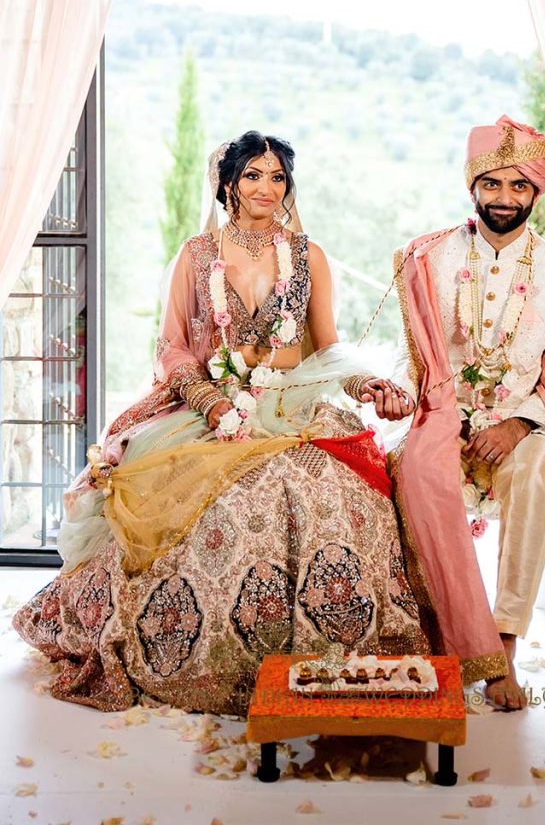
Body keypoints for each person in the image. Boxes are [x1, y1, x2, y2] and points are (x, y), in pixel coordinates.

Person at [14, 130, 427, 715]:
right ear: (228, 183)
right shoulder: (197, 255)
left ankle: (323, 655)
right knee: (210, 498)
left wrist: (368, 386)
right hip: (208, 401)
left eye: (278, 176)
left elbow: (327, 347)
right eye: (253, 174)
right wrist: (209, 400)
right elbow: (172, 347)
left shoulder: (308, 256)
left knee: (330, 492)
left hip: (296, 403)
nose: (267, 187)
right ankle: (207, 658)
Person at [390, 115, 545, 710]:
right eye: (492, 185)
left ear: (536, 193)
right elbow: (409, 355)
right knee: (420, 471)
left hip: (522, 418)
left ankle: (503, 649)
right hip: (440, 412)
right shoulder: (430, 259)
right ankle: (445, 638)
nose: (504, 199)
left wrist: (518, 425)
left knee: (543, 464)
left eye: (519, 187)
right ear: (473, 186)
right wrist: (413, 405)